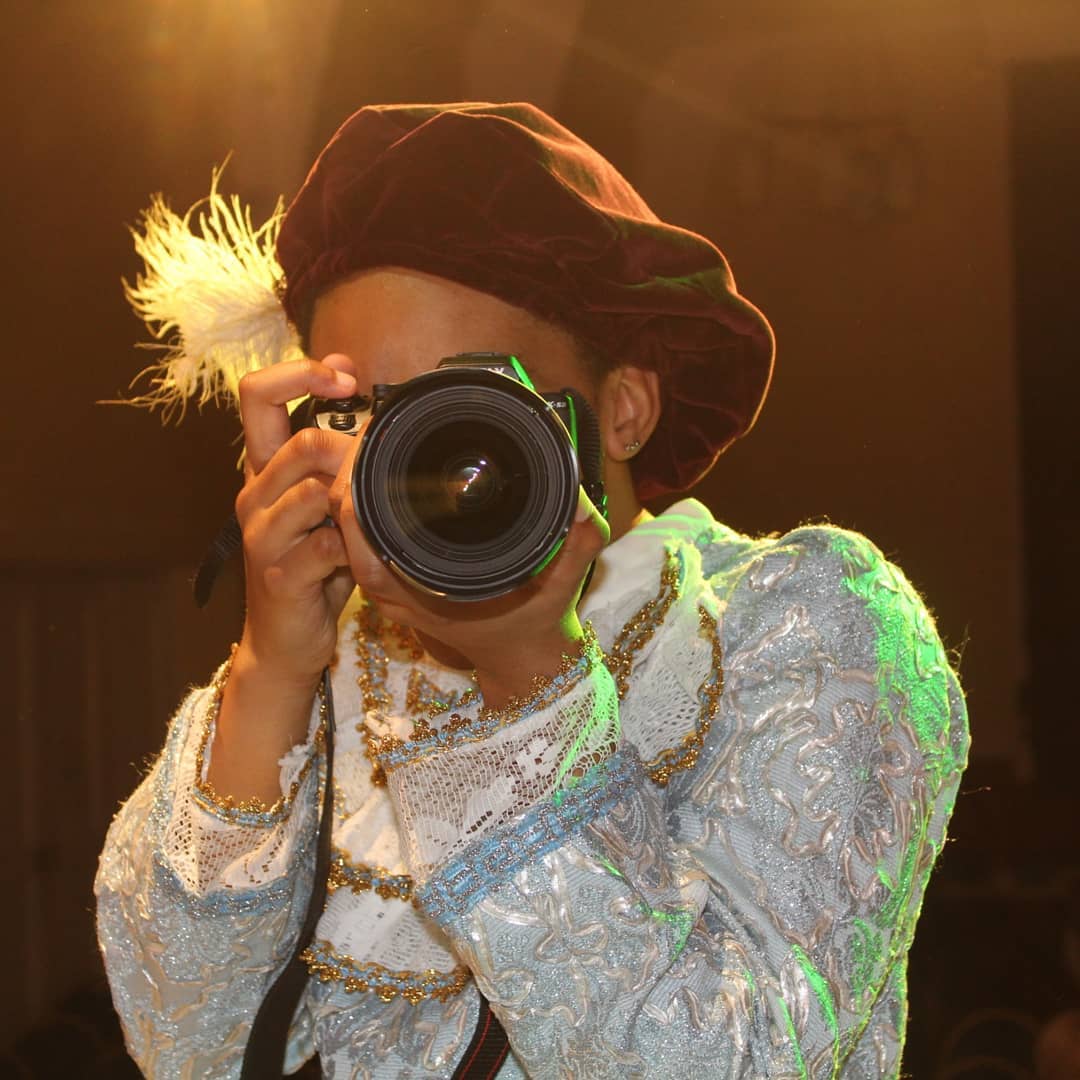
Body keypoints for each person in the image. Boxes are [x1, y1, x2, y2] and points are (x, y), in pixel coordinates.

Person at [95, 102, 969, 1078]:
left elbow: (729, 1061)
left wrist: (530, 676)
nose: (411, 460)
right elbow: (181, 1040)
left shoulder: (794, 622)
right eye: (359, 413)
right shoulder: (332, 662)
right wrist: (270, 672)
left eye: (457, 404)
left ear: (624, 409)